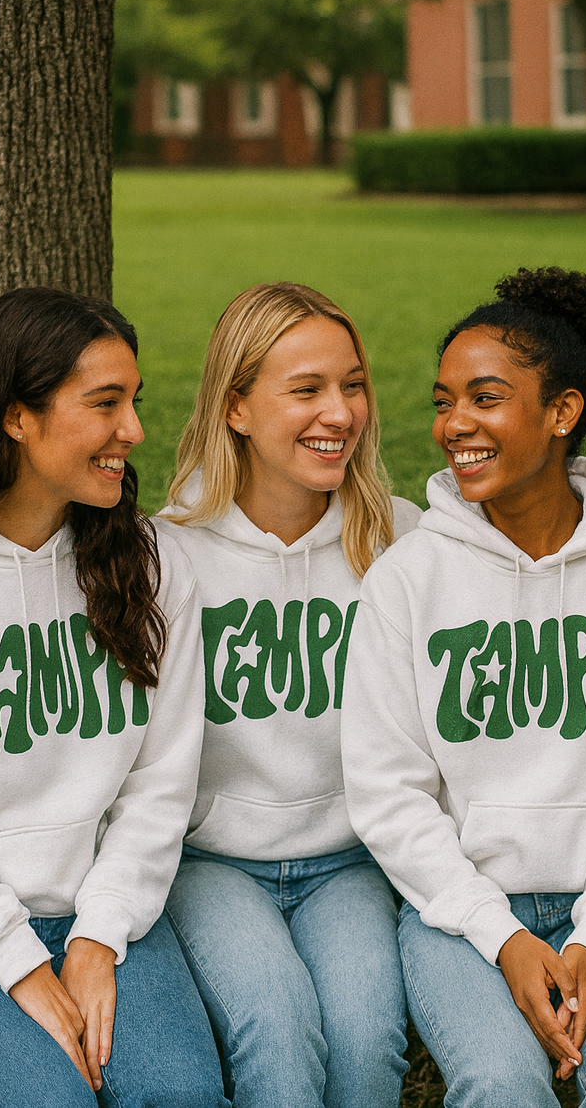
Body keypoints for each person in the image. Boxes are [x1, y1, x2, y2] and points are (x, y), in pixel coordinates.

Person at [340, 267, 586, 1108]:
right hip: (460, 909)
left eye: (485, 398)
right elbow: (389, 793)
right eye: (444, 401)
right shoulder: (407, 580)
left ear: (561, 411)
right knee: (501, 1086)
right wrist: (501, 934)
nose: (454, 424)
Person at [0, 288, 228, 1108]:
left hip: (103, 904)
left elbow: (161, 782)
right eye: (104, 403)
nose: (133, 430)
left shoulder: (151, 565)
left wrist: (99, 933)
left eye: (134, 402)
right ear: (16, 415)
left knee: (182, 1098)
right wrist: (17, 959)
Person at [157, 281, 420, 1108]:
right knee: (275, 1026)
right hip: (211, 862)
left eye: (353, 385)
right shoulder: (168, 552)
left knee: (366, 1041)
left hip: (350, 859)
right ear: (236, 407)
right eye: (306, 389)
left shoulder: (401, 540)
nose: (340, 412)